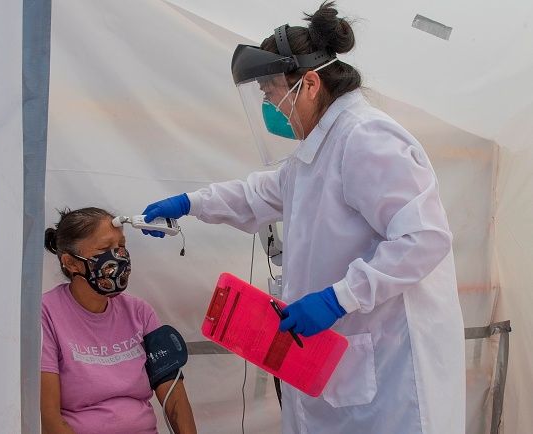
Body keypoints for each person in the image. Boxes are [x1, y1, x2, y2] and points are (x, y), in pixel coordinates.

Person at [141, 2, 465, 434]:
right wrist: (190, 203)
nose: (270, 106)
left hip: (390, 368)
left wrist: (338, 298)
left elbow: (423, 238)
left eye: (272, 93)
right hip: (336, 362)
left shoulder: (365, 137)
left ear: (309, 83)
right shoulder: (316, 154)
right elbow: (257, 194)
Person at [40, 207, 197, 434]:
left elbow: (175, 400)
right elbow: (50, 419)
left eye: (121, 246)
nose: (119, 257)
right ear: (71, 263)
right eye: (105, 249)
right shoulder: (46, 314)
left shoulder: (140, 312)